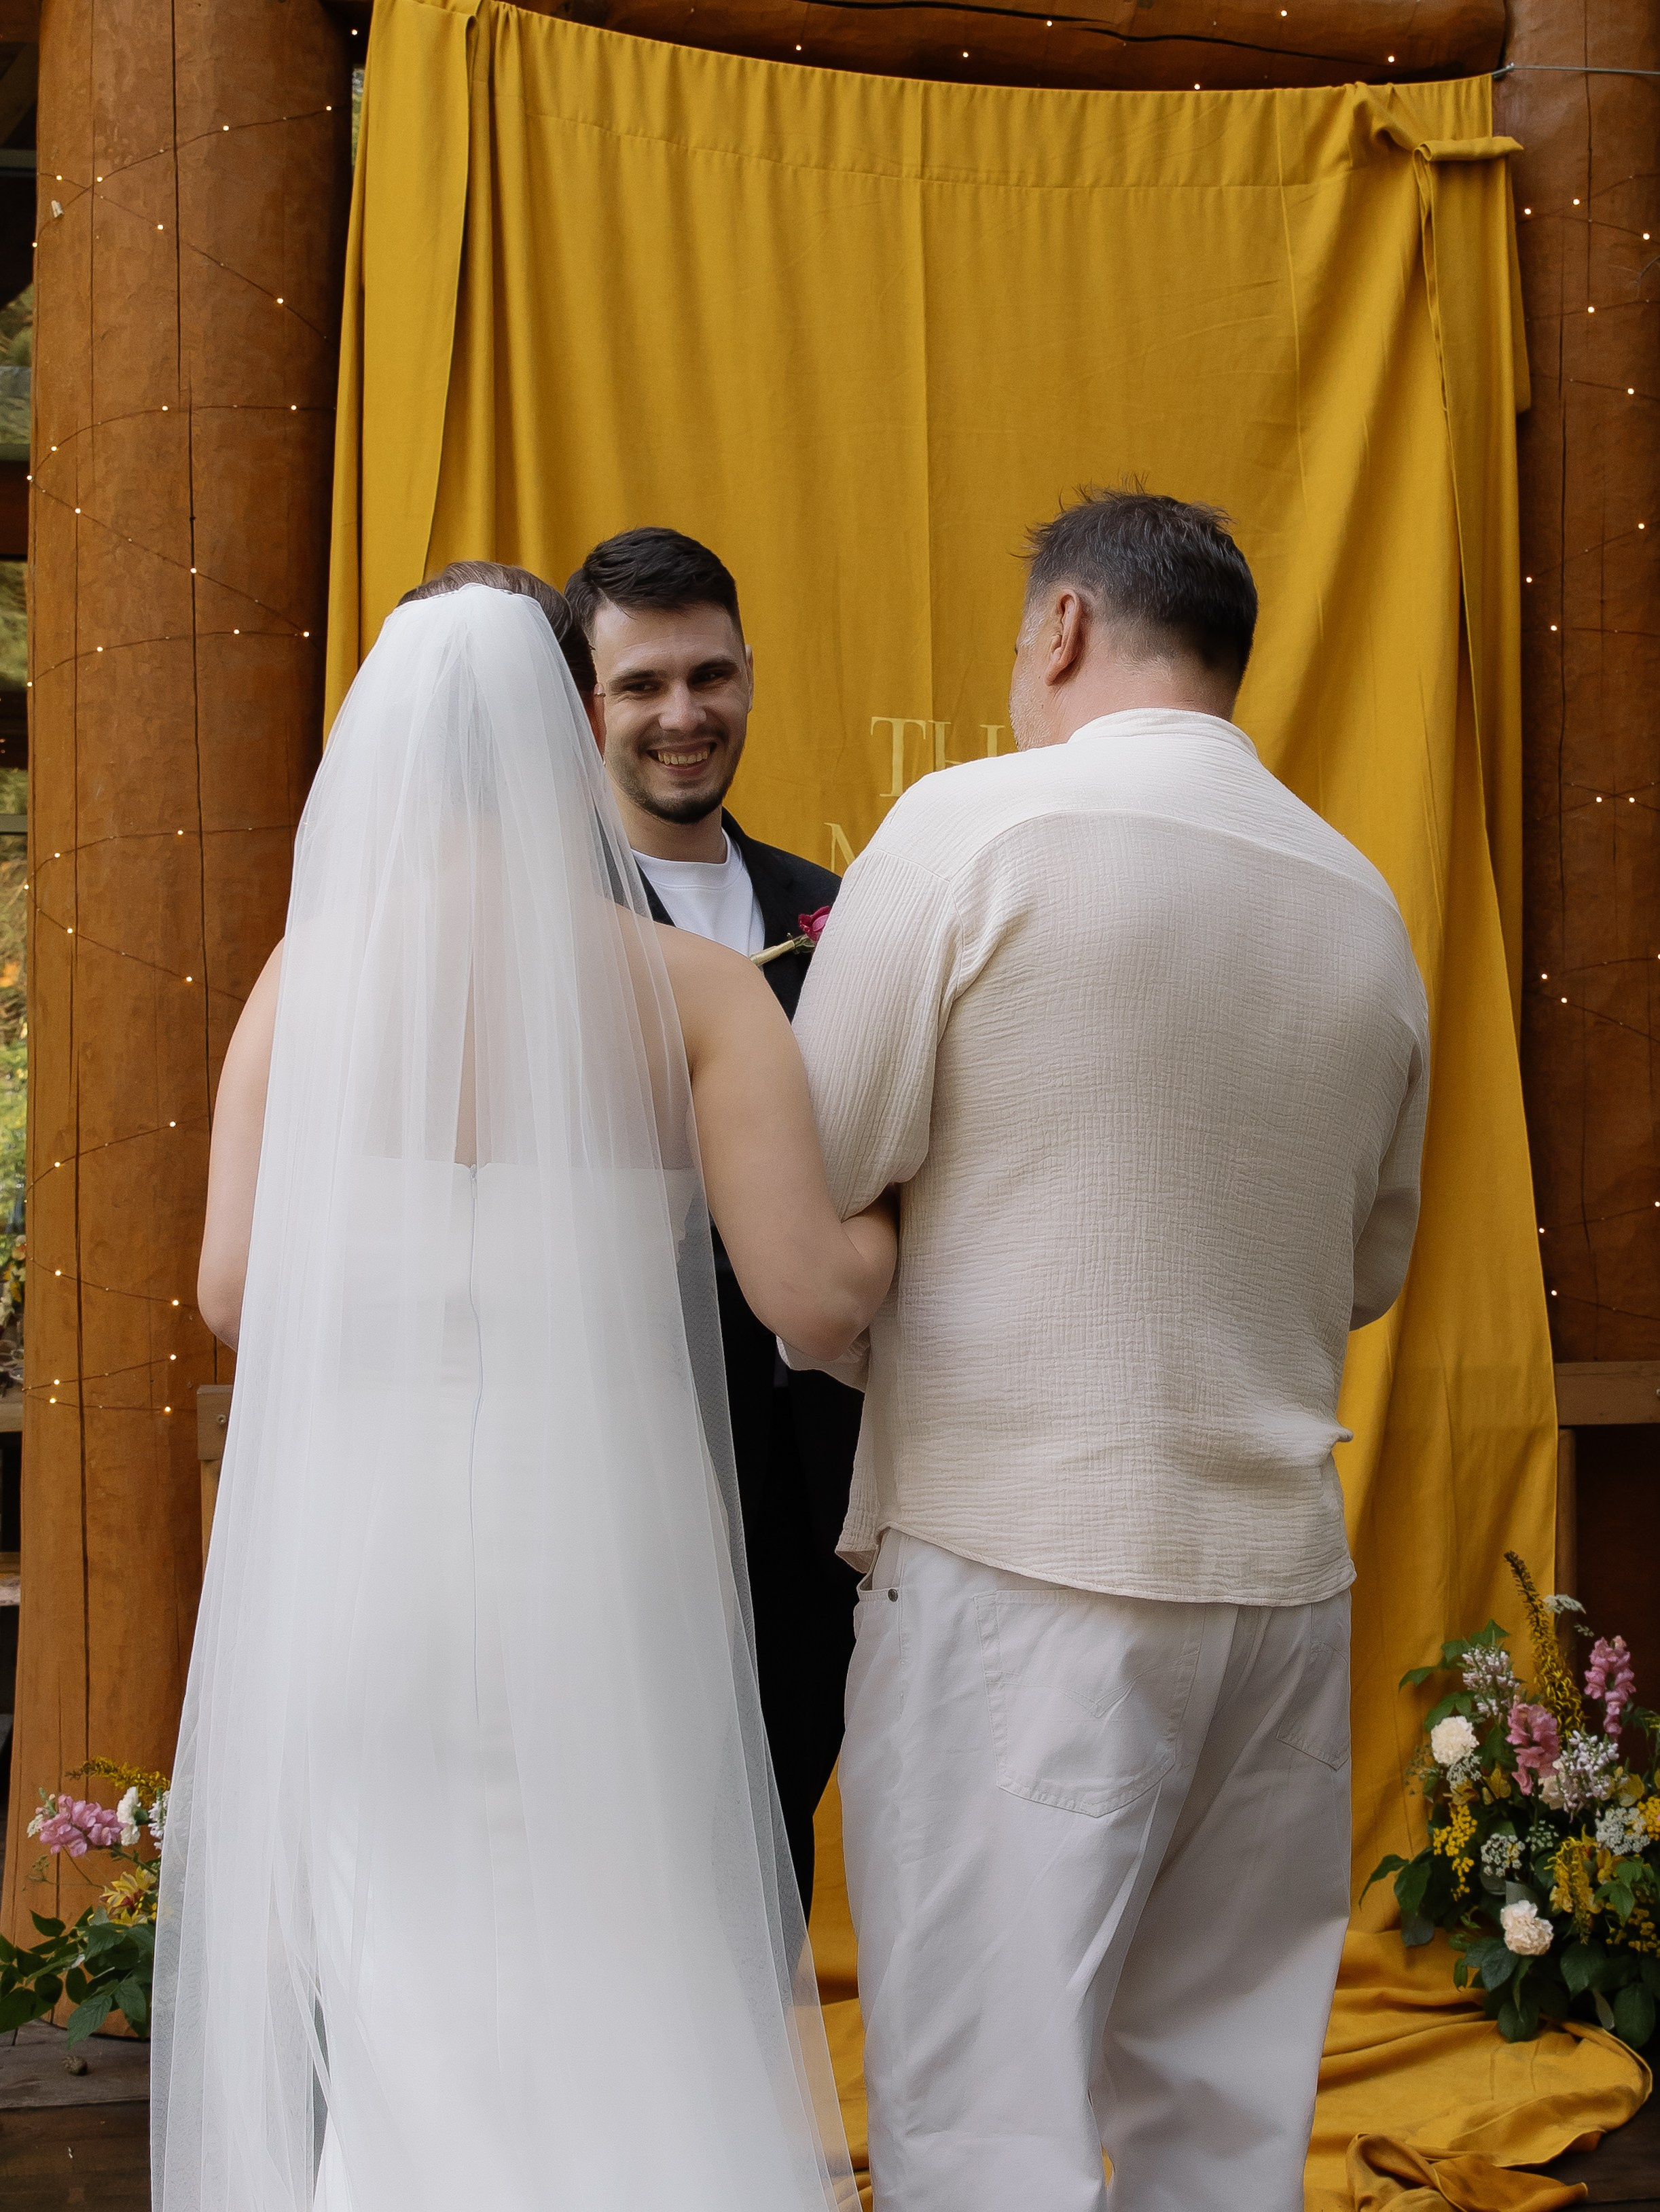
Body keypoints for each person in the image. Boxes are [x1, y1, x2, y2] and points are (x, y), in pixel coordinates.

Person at [152, 566, 892, 2212]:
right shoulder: (689, 990)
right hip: (597, 1563)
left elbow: (227, 1297)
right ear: (572, 724)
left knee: (405, 1974)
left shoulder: (304, 985)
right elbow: (811, 1296)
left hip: (366, 1568)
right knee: (623, 1959)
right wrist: (902, 1210)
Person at [790, 490, 1430, 2211]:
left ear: (1063, 629)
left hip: (1021, 1561)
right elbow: (1367, 1264)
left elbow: (818, 1163)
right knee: (1223, 2114)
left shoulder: (973, 824)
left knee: (985, 2105)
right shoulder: (1363, 905)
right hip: (1282, 1580)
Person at [565, 526, 863, 1912]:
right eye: (642, 686)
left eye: (710, 675)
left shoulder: (839, 915)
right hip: (606, 1463)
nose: (684, 715)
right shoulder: (539, 928)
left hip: (811, 1469)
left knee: (775, 1823)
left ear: (749, 675)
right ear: (584, 705)